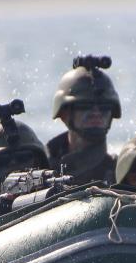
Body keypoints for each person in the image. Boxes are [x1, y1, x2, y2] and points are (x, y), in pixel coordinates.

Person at [46, 54, 121, 185]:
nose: (96, 113)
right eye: (85, 106)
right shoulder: (40, 166)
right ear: (64, 114)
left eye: (104, 107)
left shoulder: (120, 173)